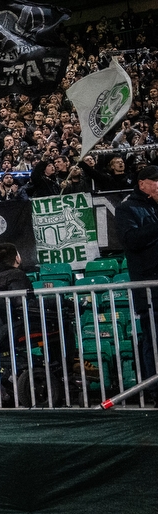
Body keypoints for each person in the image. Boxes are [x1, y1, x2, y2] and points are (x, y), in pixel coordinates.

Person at [114, 165, 158, 397]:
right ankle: (155, 391)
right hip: (150, 288)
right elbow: (131, 240)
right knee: (154, 339)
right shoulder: (127, 209)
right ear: (142, 183)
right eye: (156, 181)